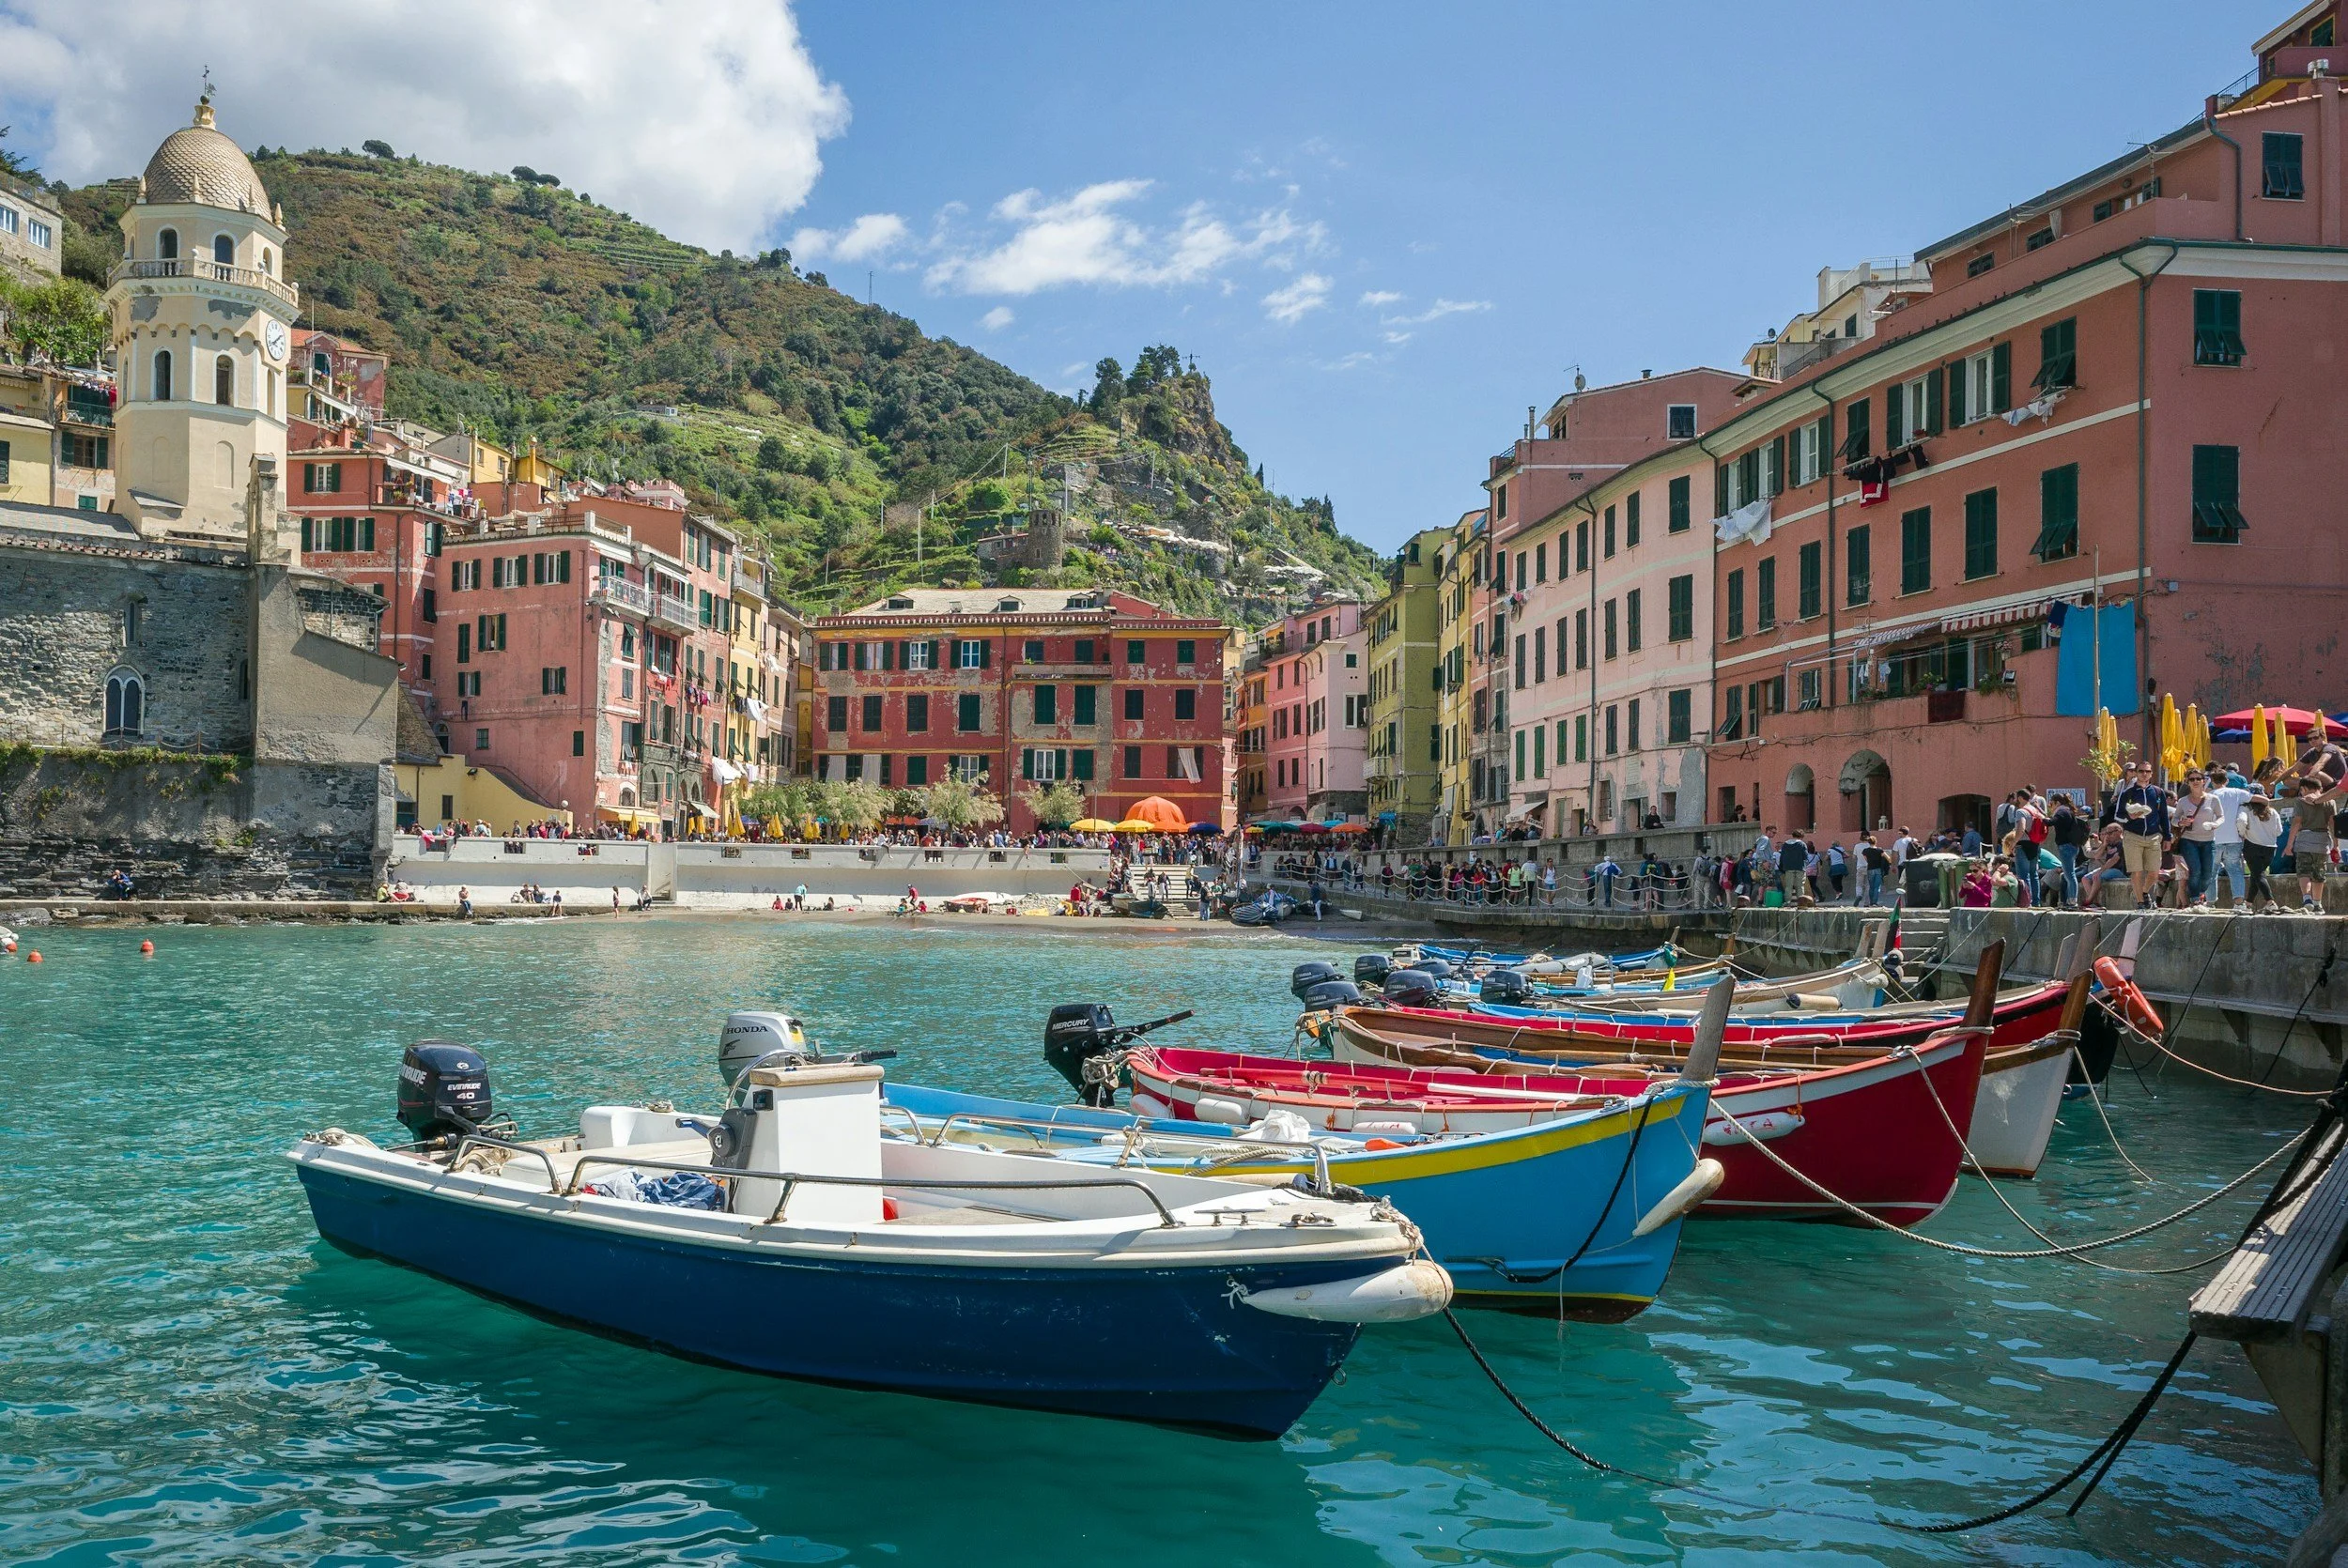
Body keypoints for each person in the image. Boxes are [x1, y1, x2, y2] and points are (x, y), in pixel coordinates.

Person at [2106, 761, 2170, 908]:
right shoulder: (2127, 793)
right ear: (2136, 773)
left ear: (2151, 774)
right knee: (2137, 871)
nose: (2144, 774)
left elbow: (2164, 815)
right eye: (2141, 771)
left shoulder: (2158, 792)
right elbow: (2118, 815)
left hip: (2154, 835)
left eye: (2147, 771)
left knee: (2154, 871)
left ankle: (2144, 891)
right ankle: (2141, 902)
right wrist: (2130, 817)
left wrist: (2167, 836)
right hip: (2133, 835)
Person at [2170, 769, 2219, 906]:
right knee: (2195, 869)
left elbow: (2222, 817)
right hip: (2188, 840)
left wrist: (2215, 824)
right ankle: (2194, 899)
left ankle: (2200, 894)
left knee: (2208, 873)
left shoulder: (2213, 799)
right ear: (2188, 782)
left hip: (2208, 840)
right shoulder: (2183, 801)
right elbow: (2174, 820)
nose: (2195, 781)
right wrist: (2181, 822)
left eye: (2198, 779)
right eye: (2192, 779)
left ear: (2204, 781)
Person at [2293, 776, 2337, 912]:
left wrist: (2289, 844)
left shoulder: (2300, 802)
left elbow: (2297, 823)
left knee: (2304, 872)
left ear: (2304, 788)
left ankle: (2307, 898)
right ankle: (2318, 904)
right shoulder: (2330, 802)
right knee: (2319, 874)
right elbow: (2332, 824)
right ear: (2320, 788)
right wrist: (2336, 845)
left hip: (2304, 840)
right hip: (2322, 842)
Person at [2239, 792, 2285, 912]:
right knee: (2256, 875)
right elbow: (2279, 831)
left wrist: (2242, 834)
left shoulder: (2247, 811)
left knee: (2258, 875)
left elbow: (2241, 822)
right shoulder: (2273, 812)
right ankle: (2248, 903)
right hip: (2270, 848)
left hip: (2252, 846)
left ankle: (2270, 901)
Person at [1776, 831, 1810, 905]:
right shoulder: (1802, 844)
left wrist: (1781, 866)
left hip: (1788, 868)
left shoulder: (1785, 844)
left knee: (1788, 886)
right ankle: (1801, 902)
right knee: (1800, 886)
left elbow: (1782, 857)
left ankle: (1788, 902)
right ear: (1801, 836)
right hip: (1800, 867)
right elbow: (1805, 856)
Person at [1860, 833, 1891, 907]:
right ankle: (1874, 902)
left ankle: (1870, 902)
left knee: (1871, 886)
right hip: (1878, 869)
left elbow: (1866, 860)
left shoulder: (1865, 851)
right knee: (1877, 887)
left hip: (1870, 869)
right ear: (1876, 842)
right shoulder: (1880, 850)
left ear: (1868, 842)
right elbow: (1889, 859)